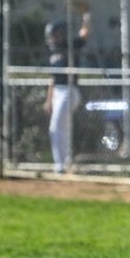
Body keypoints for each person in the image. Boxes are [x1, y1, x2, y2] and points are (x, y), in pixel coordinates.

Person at [44, 11, 91, 174]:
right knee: (60, 128)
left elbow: (83, 35)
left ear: (62, 34)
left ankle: (60, 165)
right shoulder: (52, 54)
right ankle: (65, 162)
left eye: (55, 35)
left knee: (56, 127)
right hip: (58, 92)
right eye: (51, 36)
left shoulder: (70, 45)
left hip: (70, 90)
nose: (52, 39)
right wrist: (48, 100)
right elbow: (52, 79)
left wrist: (86, 19)